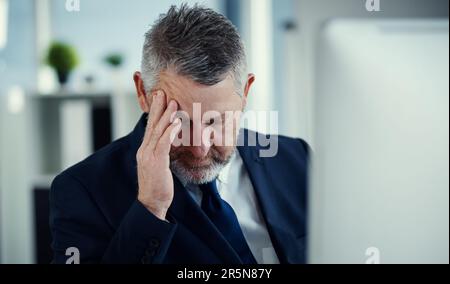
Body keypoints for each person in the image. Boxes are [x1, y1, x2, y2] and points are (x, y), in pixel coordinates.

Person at [50, 4, 309, 264]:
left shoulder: (297, 160)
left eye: (216, 121)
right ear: (142, 92)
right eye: (180, 122)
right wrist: (150, 208)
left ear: (245, 94)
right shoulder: (81, 191)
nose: (199, 148)